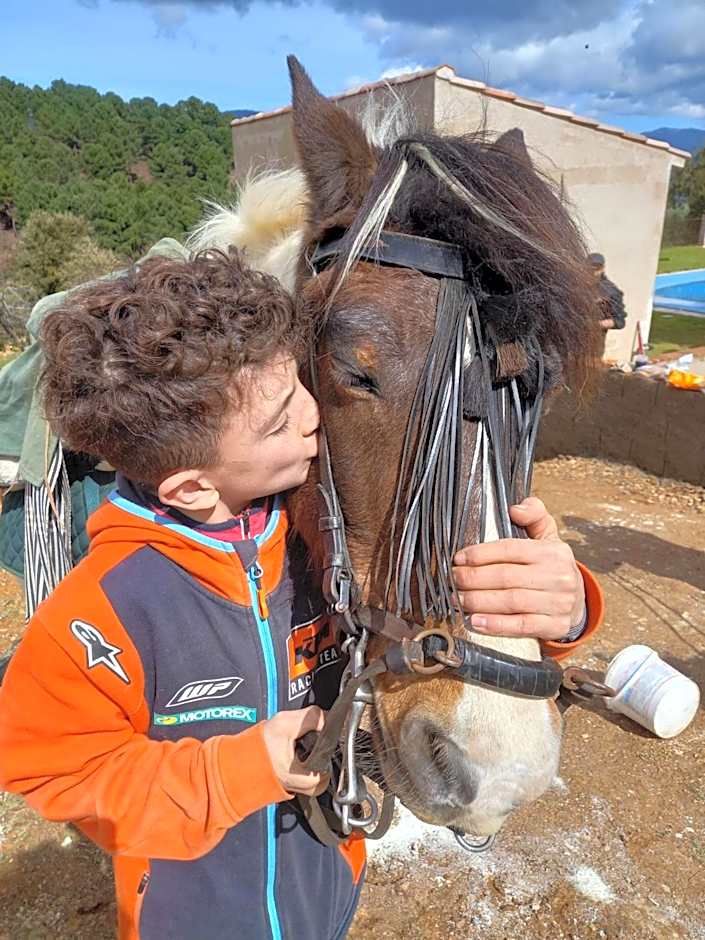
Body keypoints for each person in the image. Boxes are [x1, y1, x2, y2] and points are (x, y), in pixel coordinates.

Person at [0, 247, 601, 940]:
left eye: (303, 387)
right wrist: (231, 772)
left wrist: (556, 608)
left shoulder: (313, 534)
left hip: (325, 890)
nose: (316, 415)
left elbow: (408, 613)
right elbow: (49, 767)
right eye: (281, 419)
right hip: (190, 915)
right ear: (193, 487)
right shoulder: (99, 611)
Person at [587, 252, 626, 352]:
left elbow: (619, 321)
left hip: (593, 345)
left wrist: (595, 325)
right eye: (590, 268)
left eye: (596, 268)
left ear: (603, 268)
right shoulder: (575, 286)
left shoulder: (611, 291)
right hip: (569, 342)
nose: (593, 272)